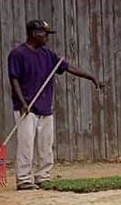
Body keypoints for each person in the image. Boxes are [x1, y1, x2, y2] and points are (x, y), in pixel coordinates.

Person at [7, 19, 104, 189]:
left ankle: (42, 176)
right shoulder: (18, 54)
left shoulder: (48, 54)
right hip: (26, 107)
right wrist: (22, 102)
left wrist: (92, 77)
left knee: (45, 144)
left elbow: (67, 67)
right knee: (26, 144)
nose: (47, 37)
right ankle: (23, 179)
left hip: (45, 106)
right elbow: (13, 79)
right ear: (34, 33)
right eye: (45, 34)